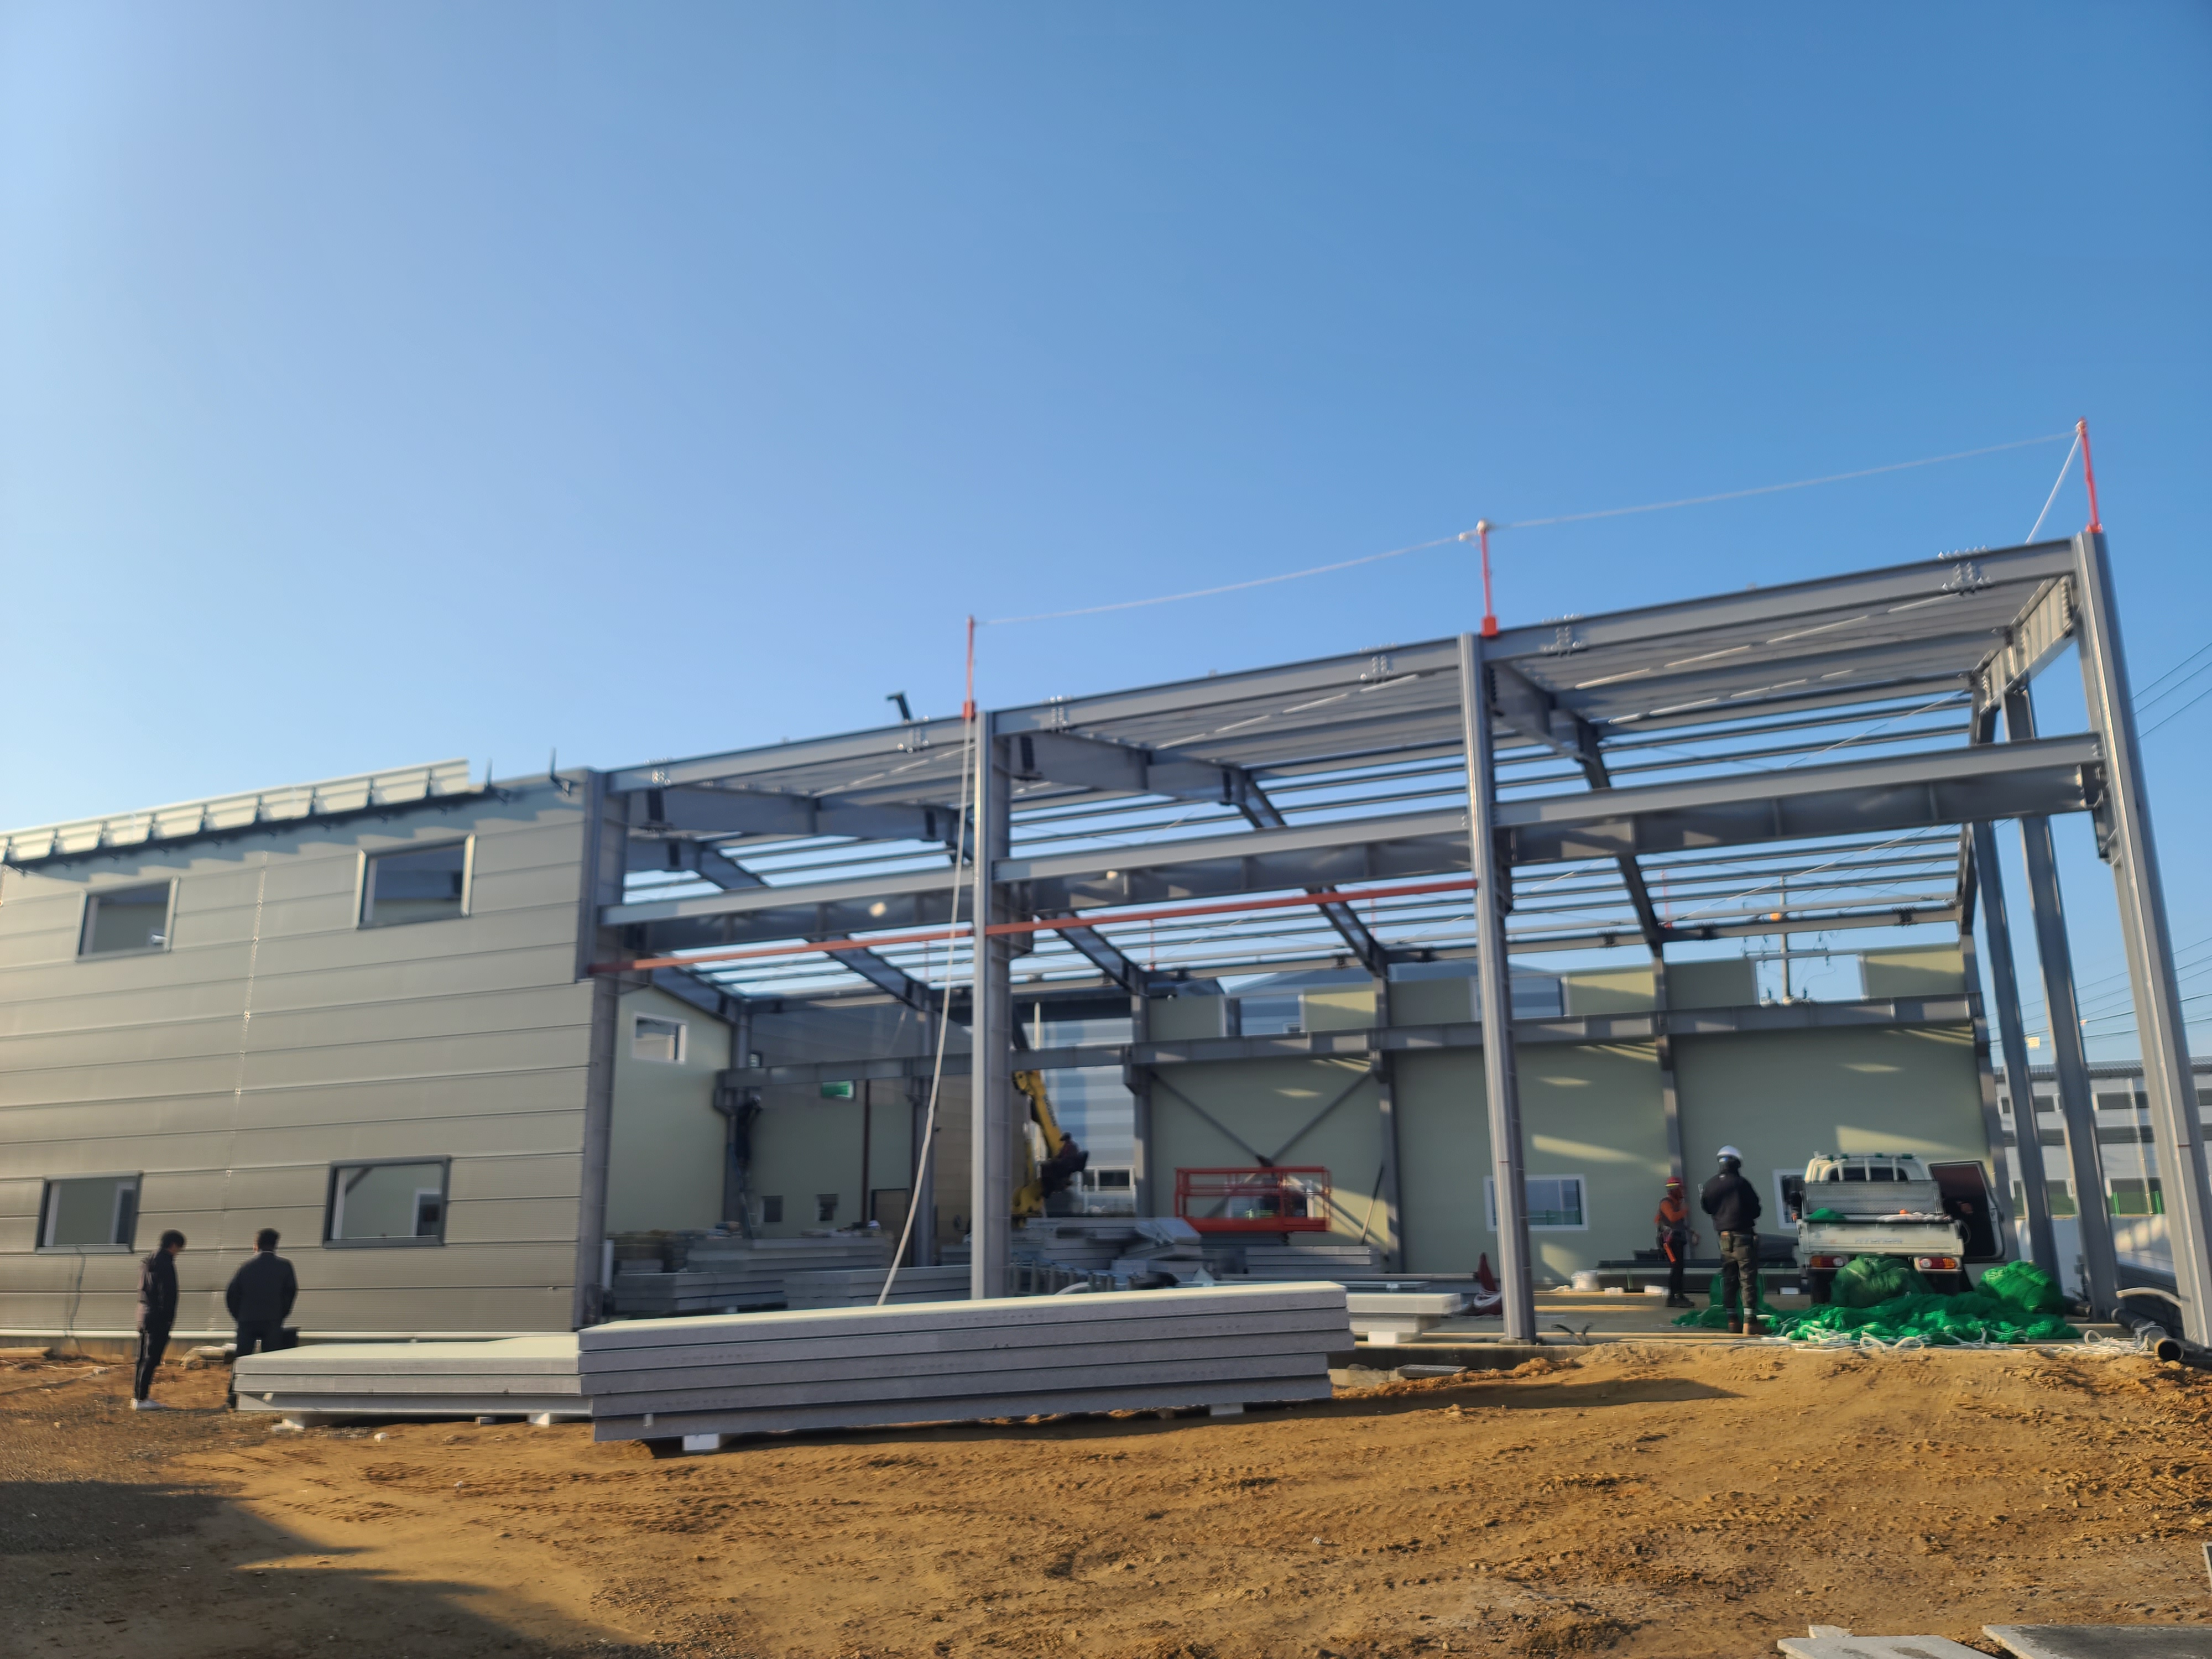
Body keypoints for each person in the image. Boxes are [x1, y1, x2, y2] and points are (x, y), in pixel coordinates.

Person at [225, 1228, 298, 1407]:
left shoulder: (246, 1267)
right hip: (272, 1319)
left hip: (247, 1319)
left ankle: (234, 1397)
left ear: (256, 1245)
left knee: (242, 1358)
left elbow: (232, 1294)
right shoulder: (285, 1266)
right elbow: (290, 1293)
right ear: (276, 1245)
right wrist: (281, 1314)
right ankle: (270, 1395)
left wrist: (239, 1315)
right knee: (271, 1359)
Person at [1700, 1146, 1764, 1335]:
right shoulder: (1741, 1184)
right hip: (1743, 1236)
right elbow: (1756, 1210)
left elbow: (1707, 1208)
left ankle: (1732, 1321)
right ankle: (1750, 1322)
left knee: (1729, 1279)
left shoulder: (1710, 1185)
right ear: (1737, 1162)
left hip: (1724, 1239)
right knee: (1747, 1279)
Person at [134, 1229, 185, 1411]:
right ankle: (142, 1398)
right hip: (158, 1316)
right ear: (173, 1245)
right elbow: (168, 1293)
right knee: (152, 1357)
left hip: (144, 1313)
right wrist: (169, 1318)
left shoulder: (148, 1261)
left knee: (142, 1357)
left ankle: (138, 1396)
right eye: (179, 1249)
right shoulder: (166, 1263)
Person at [1655, 1177, 1696, 1308]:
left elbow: (1677, 1223)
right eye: (1681, 1189)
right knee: (1676, 1269)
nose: (1683, 1192)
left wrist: (1692, 1232)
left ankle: (1679, 1295)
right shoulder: (1666, 1203)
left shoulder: (1676, 1204)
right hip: (1671, 1242)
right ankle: (1673, 1297)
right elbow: (1672, 1218)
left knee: (1680, 1269)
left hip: (1678, 1240)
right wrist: (1685, 1211)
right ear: (1675, 1190)